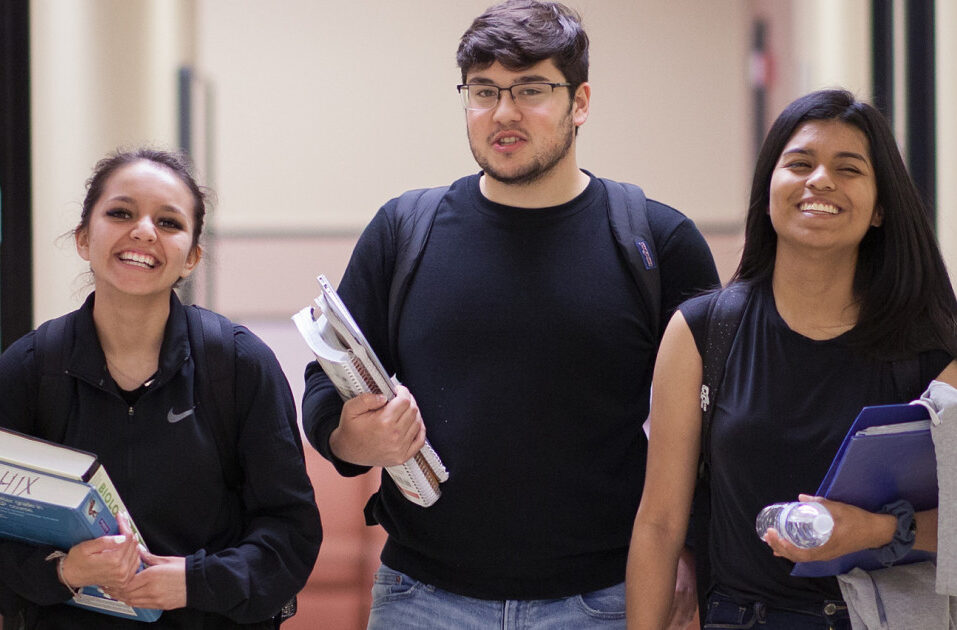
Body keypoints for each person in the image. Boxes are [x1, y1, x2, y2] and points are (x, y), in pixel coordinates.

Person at [300, 1, 718, 628]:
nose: (503, 113)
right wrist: (352, 437)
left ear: (580, 102)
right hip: (423, 598)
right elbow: (324, 388)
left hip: (600, 599)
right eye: (484, 91)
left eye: (531, 89)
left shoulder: (657, 242)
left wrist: (691, 548)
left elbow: (716, 422)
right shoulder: (404, 231)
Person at [626, 89, 957, 629]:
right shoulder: (701, 332)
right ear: (768, 192)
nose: (820, 180)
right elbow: (660, 524)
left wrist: (878, 530)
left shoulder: (932, 349)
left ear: (879, 209)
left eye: (848, 169)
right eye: (799, 163)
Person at [0, 148, 323, 629]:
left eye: (169, 222)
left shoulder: (238, 364)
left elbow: (289, 533)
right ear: (84, 239)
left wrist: (195, 581)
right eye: (121, 213)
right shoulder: (27, 369)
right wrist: (63, 571)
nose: (144, 231)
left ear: (191, 257)